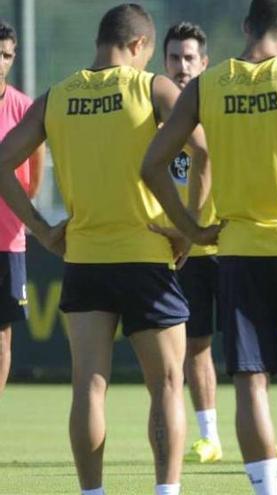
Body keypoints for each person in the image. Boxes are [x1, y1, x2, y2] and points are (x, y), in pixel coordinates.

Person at [141, 1, 277, 494]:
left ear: (246, 28)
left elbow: (152, 164)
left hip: (238, 250)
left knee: (250, 379)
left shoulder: (206, 85)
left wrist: (191, 229)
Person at [0, 5, 206, 495]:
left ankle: (92, 493)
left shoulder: (56, 96)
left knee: (89, 386)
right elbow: (203, 148)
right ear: (138, 46)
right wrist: (188, 228)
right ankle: (166, 491)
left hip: (85, 260)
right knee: (168, 385)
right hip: (146, 256)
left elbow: (4, 162)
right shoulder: (152, 87)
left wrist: (43, 230)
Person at [161, 20, 277, 466]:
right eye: (175, 57)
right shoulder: (156, 109)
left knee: (251, 347)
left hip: (234, 240)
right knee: (196, 344)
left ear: (205, 62)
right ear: (163, 60)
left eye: (190, 57)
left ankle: (263, 435)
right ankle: (209, 436)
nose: (182, 66)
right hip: (183, 249)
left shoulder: (221, 100)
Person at [0, 19, 44, 398]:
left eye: (6, 54)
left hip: (8, 238)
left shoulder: (23, 107)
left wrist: (24, 214)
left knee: (2, 332)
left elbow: (34, 172)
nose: (0, 61)